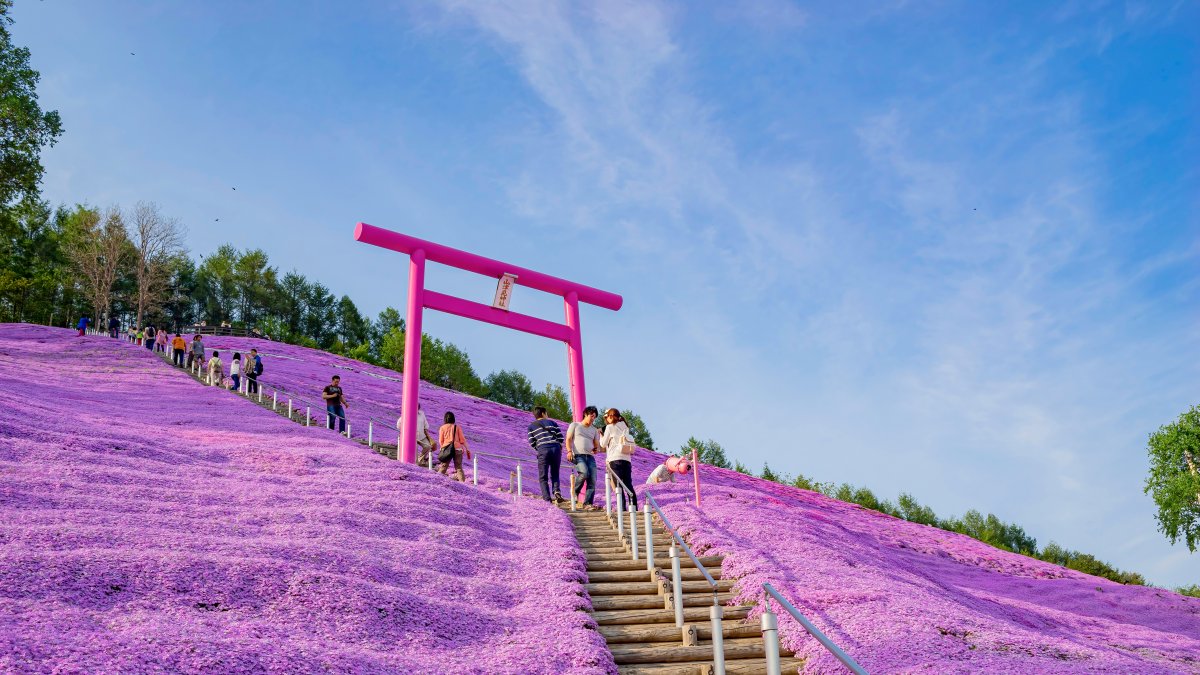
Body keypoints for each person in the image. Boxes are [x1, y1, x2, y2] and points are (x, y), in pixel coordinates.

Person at [601, 408, 637, 511]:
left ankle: (622, 508)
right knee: (628, 484)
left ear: (611, 416)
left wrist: (600, 436)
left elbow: (603, 444)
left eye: (607, 417)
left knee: (618, 486)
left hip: (615, 459)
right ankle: (633, 506)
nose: (606, 419)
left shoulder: (609, 427)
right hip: (627, 459)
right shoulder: (625, 427)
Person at [527, 406, 566, 504]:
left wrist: (540, 448)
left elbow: (532, 442)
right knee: (555, 473)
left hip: (543, 450)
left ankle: (547, 498)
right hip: (555, 449)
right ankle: (557, 491)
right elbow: (561, 438)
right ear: (543, 413)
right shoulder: (553, 423)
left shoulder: (531, 426)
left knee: (543, 476)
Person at [566, 406, 602, 510]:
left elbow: (596, 444)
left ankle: (588, 503)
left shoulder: (594, 430)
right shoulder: (575, 425)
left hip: (590, 457)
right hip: (578, 455)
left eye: (594, 417)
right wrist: (569, 451)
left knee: (592, 479)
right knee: (584, 473)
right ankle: (574, 495)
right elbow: (568, 439)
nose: (592, 418)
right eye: (591, 416)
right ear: (585, 414)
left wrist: (596, 449)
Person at [437, 411, 471, 481]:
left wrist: (443, 448)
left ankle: (436, 481)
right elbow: (462, 440)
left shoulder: (442, 428)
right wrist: (467, 448)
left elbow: (441, 441)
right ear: (453, 419)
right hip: (457, 449)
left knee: (443, 467)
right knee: (459, 468)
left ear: (445, 419)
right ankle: (463, 485)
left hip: (446, 449)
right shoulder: (457, 427)